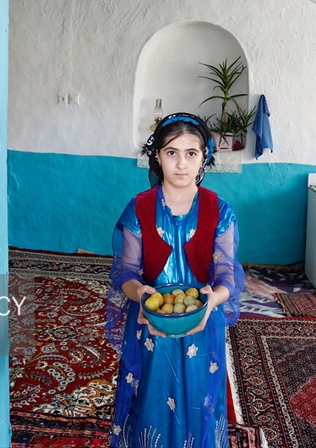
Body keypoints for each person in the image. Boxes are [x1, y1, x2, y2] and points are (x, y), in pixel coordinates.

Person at [106, 113, 246, 448]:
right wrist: (141, 295)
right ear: (157, 156)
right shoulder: (139, 209)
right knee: (151, 399)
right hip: (150, 323)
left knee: (199, 398)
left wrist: (212, 299)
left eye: (191, 153)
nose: (181, 164)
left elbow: (226, 275)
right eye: (172, 152)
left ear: (204, 157)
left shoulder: (219, 211)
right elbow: (126, 271)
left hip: (203, 322)